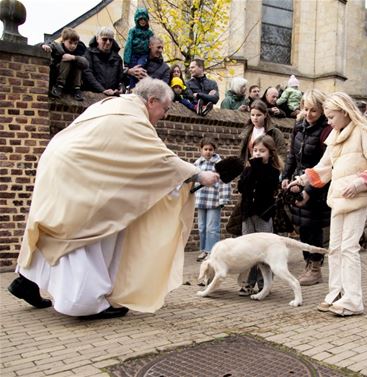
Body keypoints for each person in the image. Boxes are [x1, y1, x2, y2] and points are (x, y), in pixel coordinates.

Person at [7, 77, 219, 319]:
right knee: (85, 230)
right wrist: (199, 175)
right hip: (76, 172)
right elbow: (160, 159)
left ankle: (26, 280)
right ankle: (86, 304)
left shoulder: (111, 105)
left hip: (56, 164)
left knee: (55, 226)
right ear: (151, 101)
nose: (166, 115)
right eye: (165, 109)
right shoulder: (132, 119)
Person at [290, 92, 367, 317]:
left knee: (349, 248)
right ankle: (336, 293)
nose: (329, 121)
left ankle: (353, 300)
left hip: (356, 197)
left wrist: (359, 184)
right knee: (335, 247)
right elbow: (324, 167)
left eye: (332, 116)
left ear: (344, 111)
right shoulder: (334, 135)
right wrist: (301, 180)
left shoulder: (364, 132)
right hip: (338, 197)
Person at [281, 89, 332, 286]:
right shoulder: (299, 126)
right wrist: (286, 176)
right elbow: (292, 155)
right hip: (299, 181)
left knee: (314, 226)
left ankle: (316, 267)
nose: (308, 114)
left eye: (314, 111)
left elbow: (325, 166)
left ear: (322, 111)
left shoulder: (326, 131)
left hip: (318, 185)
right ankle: (307, 264)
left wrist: (310, 190)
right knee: (302, 226)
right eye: (305, 109)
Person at [237, 135, 282, 296]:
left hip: (263, 215)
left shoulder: (273, 171)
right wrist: (251, 169)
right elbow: (241, 187)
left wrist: (257, 167)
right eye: (255, 150)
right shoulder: (248, 169)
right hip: (248, 214)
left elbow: (267, 185)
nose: (257, 154)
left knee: (264, 250)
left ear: (270, 153)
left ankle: (264, 283)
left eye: (262, 151)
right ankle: (247, 283)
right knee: (247, 250)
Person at [194, 138, 231, 262]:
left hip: (214, 200)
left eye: (211, 149)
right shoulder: (197, 164)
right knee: (202, 227)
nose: (208, 152)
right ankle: (203, 250)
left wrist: (223, 199)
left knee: (212, 228)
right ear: (201, 150)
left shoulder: (219, 164)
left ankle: (212, 252)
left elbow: (225, 182)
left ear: (214, 150)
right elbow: (193, 180)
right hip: (200, 200)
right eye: (205, 149)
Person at [42, 27, 88, 101]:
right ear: (63, 40)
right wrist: (46, 46)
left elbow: (86, 64)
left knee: (78, 63)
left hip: (72, 80)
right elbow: (50, 44)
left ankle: (76, 89)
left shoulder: (79, 50)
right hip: (58, 76)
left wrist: (74, 57)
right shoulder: (58, 47)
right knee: (66, 60)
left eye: (75, 43)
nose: (73, 46)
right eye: (70, 42)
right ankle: (59, 86)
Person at [82, 27, 124, 96]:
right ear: (97, 39)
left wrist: (121, 89)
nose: (108, 42)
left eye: (110, 40)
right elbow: (87, 74)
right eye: (104, 39)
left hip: (112, 97)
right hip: (93, 95)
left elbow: (121, 79)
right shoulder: (89, 54)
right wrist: (103, 90)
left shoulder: (117, 58)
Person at [123, 7, 153, 89]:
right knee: (134, 69)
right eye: (140, 19)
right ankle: (132, 87)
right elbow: (128, 45)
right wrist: (126, 60)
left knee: (140, 66)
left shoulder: (149, 33)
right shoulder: (133, 31)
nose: (142, 21)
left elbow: (152, 45)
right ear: (137, 20)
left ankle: (140, 87)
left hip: (143, 54)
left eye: (144, 19)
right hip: (134, 54)